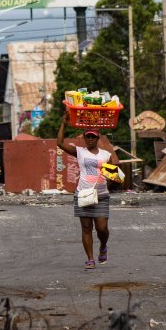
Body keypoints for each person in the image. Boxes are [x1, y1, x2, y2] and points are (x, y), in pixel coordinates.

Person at [56, 115, 118, 270]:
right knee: (86, 228)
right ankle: (90, 259)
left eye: (93, 136)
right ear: (84, 137)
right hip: (83, 194)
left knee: (102, 229)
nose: (90, 139)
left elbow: (112, 175)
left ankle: (103, 246)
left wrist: (110, 181)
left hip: (102, 195)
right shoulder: (80, 152)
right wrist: (63, 123)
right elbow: (60, 143)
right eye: (88, 136)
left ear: (97, 138)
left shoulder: (106, 155)